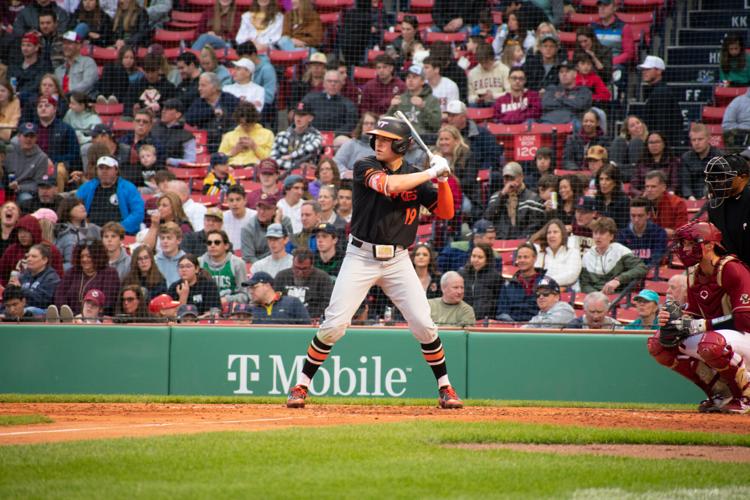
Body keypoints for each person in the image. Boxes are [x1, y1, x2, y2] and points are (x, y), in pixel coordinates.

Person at [284, 115, 463, 409]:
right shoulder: (364, 165)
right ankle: (301, 385)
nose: (378, 143)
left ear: (402, 146)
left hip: (398, 259)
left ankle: (445, 388)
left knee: (424, 325)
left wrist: (443, 180)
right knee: (334, 326)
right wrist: (431, 173)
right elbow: (389, 186)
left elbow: (445, 212)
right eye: (377, 138)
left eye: (385, 139)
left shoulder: (416, 175)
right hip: (361, 255)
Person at [651, 221, 750, 413]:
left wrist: (702, 325)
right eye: (683, 244)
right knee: (659, 344)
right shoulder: (693, 273)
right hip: (721, 338)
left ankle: (745, 397)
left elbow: (745, 319)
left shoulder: (732, 269)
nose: (684, 249)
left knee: (710, 344)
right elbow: (694, 314)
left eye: (689, 243)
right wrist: (676, 321)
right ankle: (720, 394)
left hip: (745, 335)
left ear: (709, 245)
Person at [76, 155, 144, 235]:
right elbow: (75, 206)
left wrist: (119, 228)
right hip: (91, 233)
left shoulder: (128, 188)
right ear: (97, 170)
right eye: (101, 168)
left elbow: (138, 213)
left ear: (116, 170)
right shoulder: (87, 187)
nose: (104, 171)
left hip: (119, 234)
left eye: (108, 168)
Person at [579, 217, 648, 295]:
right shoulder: (587, 256)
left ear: (611, 236)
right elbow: (584, 284)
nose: (598, 237)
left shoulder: (621, 251)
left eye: (602, 233)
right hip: (594, 297)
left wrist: (618, 279)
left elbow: (642, 268)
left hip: (619, 296)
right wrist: (597, 295)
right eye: (595, 233)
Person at [704, 153, 750, 266]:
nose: (717, 181)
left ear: (743, 177)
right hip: (730, 271)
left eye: (723, 177)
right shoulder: (714, 206)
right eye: (715, 177)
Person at [54, 239, 120, 315]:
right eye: (82, 256)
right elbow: (60, 296)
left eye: (89, 256)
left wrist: (84, 317)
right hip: (70, 320)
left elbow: (108, 303)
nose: (84, 259)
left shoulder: (110, 273)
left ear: (97, 256)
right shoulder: (71, 273)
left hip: (96, 321)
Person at [484, 162, 545, 239]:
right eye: (506, 178)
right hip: (500, 242)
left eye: (512, 178)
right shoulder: (496, 197)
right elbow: (487, 218)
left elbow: (535, 226)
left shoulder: (533, 199)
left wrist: (521, 241)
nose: (509, 182)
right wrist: (502, 195)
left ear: (521, 177)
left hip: (524, 243)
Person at [0, 213, 63, 285]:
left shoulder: (50, 250)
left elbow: (59, 278)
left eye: (26, 231)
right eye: (20, 231)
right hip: (11, 291)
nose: (22, 235)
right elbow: (2, 275)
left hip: (41, 291)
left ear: (34, 231)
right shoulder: (12, 250)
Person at [184, 72, 240, 153]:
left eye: (203, 85)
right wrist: (211, 112)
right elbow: (189, 118)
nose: (199, 88)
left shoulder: (229, 99)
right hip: (207, 144)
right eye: (199, 85)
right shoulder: (199, 102)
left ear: (214, 87)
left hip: (229, 143)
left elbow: (240, 118)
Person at [274, 248, 334, 319]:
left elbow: (327, 303)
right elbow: (275, 300)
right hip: (285, 318)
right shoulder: (282, 277)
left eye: (304, 269)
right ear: (292, 263)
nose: (300, 272)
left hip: (313, 319)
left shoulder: (322, 278)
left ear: (312, 266)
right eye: (297, 268)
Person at [638, 56, 682, 147]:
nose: (644, 72)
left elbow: (662, 125)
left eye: (648, 69)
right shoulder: (657, 90)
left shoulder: (661, 92)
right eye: (643, 70)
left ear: (659, 71)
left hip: (661, 146)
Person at [4, 122, 53, 203]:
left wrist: (20, 187)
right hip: (4, 184)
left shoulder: (42, 157)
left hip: (24, 190)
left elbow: (39, 183)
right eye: (26, 136)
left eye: (32, 136)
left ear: (36, 138)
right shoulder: (9, 149)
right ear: (19, 136)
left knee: (26, 199)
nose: (29, 139)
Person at [386, 65, 441, 134]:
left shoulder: (432, 100)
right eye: (408, 77)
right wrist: (393, 108)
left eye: (414, 77)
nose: (410, 80)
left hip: (425, 139)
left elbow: (436, 125)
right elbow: (387, 124)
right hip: (403, 139)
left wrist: (423, 108)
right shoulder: (400, 99)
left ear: (423, 81)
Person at [496, 242, 544, 322]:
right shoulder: (508, 285)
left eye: (526, 257)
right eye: (519, 257)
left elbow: (551, 311)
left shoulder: (546, 283)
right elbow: (502, 312)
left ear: (535, 258)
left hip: (538, 327)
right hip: (512, 328)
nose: (522, 260)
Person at [199, 229, 248, 306]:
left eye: (217, 242)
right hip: (205, 308)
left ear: (226, 246)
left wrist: (227, 300)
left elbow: (245, 295)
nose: (212, 245)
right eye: (209, 243)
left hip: (230, 309)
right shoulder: (200, 263)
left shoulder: (237, 263)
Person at [240, 193, 294, 263]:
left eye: (267, 208)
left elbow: (289, 248)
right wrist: (265, 268)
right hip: (259, 266)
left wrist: (277, 223)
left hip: (284, 262)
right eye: (259, 207)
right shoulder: (248, 228)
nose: (262, 212)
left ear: (275, 210)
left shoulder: (285, 222)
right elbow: (249, 258)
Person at [301, 69, 358, 134]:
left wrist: (334, 134)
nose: (333, 84)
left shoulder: (348, 104)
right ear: (324, 84)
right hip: (311, 135)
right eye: (329, 81)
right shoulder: (310, 98)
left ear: (341, 85)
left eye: (336, 81)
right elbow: (300, 116)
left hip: (337, 138)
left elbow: (350, 124)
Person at [270, 101, 322, 171]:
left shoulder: (316, 136)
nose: (298, 118)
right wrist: (297, 165)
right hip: (283, 174)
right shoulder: (281, 135)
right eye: (297, 115)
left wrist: (290, 156)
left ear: (310, 118)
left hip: (305, 176)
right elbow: (273, 160)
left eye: (302, 115)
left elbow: (309, 149)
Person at [530, 219, 582, 288]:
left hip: (566, 293)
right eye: (549, 232)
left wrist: (546, 281)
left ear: (562, 234)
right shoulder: (541, 252)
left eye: (555, 232)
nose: (552, 235)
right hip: (543, 292)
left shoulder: (572, 252)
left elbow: (572, 275)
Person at [617, 197, 667, 268]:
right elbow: (621, 260)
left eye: (640, 216)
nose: (636, 219)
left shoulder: (659, 233)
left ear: (648, 215)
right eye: (633, 215)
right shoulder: (622, 234)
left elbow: (657, 259)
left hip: (650, 273)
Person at [458, 242, 503, 322]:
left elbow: (498, 301)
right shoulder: (462, 274)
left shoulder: (495, 277)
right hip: (462, 319)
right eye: (473, 256)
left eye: (480, 257)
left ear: (487, 259)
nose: (476, 260)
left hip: (485, 321)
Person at [244, 271, 310, 325]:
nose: (251, 291)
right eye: (250, 288)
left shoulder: (292, 302)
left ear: (267, 286)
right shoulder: (249, 309)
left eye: (254, 287)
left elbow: (307, 328)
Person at [11, 243, 61, 311]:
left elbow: (43, 301)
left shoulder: (51, 278)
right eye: (28, 256)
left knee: (30, 310)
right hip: (19, 310)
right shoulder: (24, 275)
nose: (29, 259)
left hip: (41, 313)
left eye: (34, 256)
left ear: (45, 260)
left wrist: (20, 289)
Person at [540, 60, 592, 125]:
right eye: (561, 72)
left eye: (567, 71)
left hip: (572, 122)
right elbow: (546, 104)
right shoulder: (551, 89)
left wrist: (559, 98)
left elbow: (580, 105)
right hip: (549, 121)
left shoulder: (583, 90)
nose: (564, 74)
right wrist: (568, 100)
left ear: (575, 74)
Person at [681, 123, 723, 201]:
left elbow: (722, 182)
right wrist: (690, 197)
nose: (696, 143)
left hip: (715, 199)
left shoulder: (719, 156)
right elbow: (685, 183)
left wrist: (710, 195)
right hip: (692, 199)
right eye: (693, 140)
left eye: (700, 139)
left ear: (709, 139)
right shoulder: (686, 157)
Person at [631, 131, 680, 197]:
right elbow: (633, 188)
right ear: (647, 145)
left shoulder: (673, 161)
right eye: (651, 142)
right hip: (645, 198)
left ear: (663, 144)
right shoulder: (641, 163)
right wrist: (642, 194)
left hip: (666, 198)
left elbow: (675, 185)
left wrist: (663, 195)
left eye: (657, 142)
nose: (654, 145)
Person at [643, 170, 688, 238]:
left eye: (653, 186)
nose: (649, 190)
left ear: (664, 187)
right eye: (647, 186)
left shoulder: (677, 203)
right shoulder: (641, 203)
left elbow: (681, 233)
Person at [334, 113, 377, 178]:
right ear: (361, 126)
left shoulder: (379, 146)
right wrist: (344, 172)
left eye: (372, 124)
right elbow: (336, 161)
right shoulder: (351, 144)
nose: (369, 126)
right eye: (366, 123)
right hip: (352, 180)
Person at [54, 30, 97, 95]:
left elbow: (88, 84)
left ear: (79, 45)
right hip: (61, 102)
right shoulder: (58, 70)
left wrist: (68, 94)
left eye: (69, 43)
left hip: (80, 101)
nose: (66, 46)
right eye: (64, 43)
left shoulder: (88, 62)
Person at [6, 32, 48, 99]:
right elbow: (7, 83)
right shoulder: (14, 65)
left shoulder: (43, 67)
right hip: (12, 99)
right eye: (23, 45)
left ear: (36, 47)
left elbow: (36, 86)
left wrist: (20, 94)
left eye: (28, 45)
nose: (25, 48)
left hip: (32, 101)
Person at [467, 44, 510, 108]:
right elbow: (469, 97)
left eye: (486, 62)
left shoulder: (504, 69)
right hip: (478, 105)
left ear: (492, 58)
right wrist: (476, 98)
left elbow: (510, 93)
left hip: (497, 103)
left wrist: (493, 96)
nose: (484, 65)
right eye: (481, 63)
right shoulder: (472, 73)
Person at [594, 164, 630, 231]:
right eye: (601, 179)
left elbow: (624, 228)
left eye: (607, 179)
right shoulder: (596, 199)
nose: (603, 183)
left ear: (615, 182)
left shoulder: (624, 201)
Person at [222, 184, 254, 252]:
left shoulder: (255, 216)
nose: (234, 203)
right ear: (227, 201)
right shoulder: (222, 218)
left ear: (245, 200)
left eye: (238, 199)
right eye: (231, 200)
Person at [154, 221, 185, 287]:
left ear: (178, 240)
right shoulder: (154, 261)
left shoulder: (186, 260)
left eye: (169, 238)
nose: (165, 241)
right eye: (162, 238)